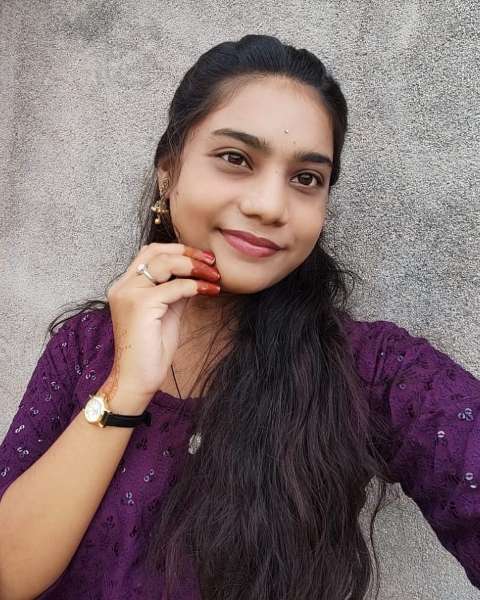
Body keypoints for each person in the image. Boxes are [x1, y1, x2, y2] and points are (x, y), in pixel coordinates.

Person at [0, 33, 478, 600]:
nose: (270, 206)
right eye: (235, 159)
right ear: (168, 170)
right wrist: (124, 388)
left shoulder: (373, 371)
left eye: (306, 178)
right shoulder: (84, 348)